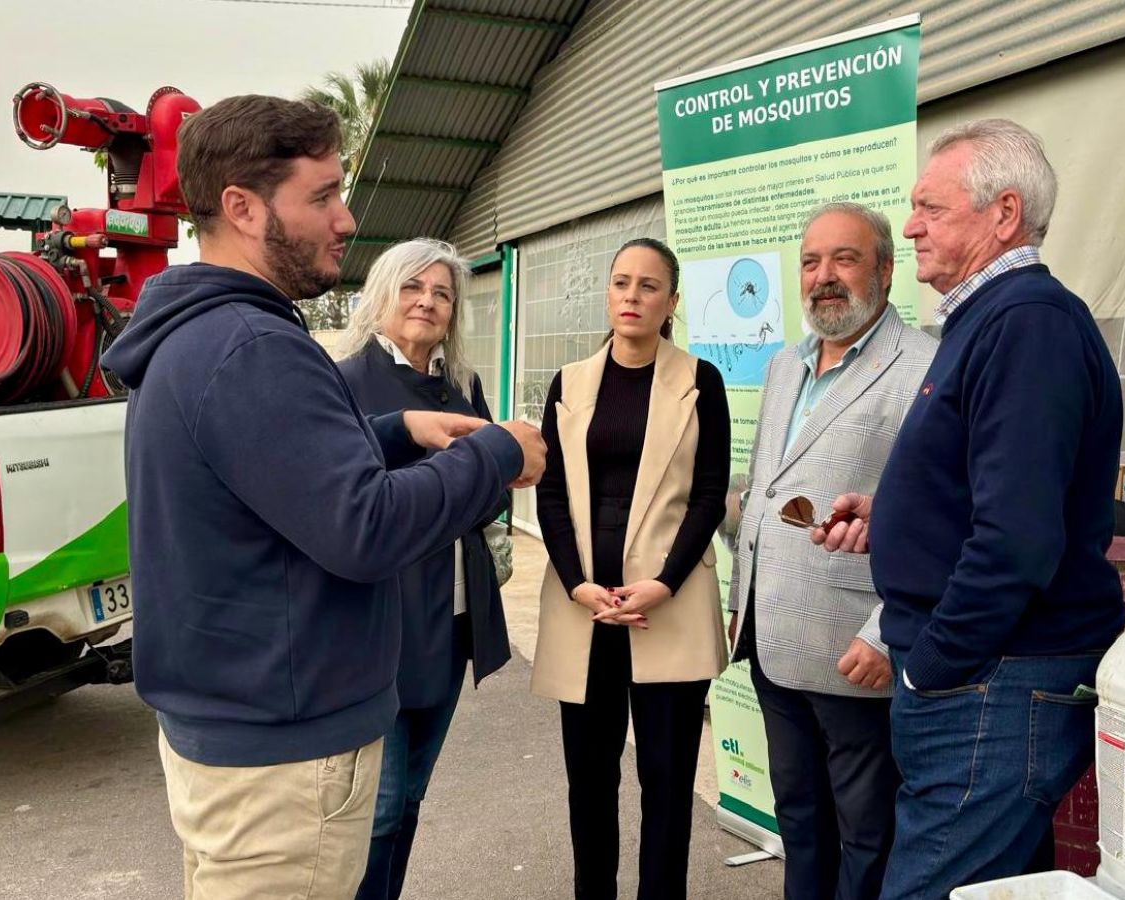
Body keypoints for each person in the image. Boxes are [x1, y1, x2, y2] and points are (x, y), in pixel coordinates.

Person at [101, 95, 545, 900]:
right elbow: (364, 526)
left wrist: (395, 429)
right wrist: (495, 451)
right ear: (241, 205)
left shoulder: (203, 337)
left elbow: (272, 475)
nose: (346, 220)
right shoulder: (255, 347)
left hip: (237, 739)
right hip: (283, 765)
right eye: (323, 195)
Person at [814, 119, 1125, 897]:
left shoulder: (1028, 324)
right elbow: (989, 488)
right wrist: (890, 515)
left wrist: (934, 666)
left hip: (990, 683)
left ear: (1004, 213)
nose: (911, 225)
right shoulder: (990, 320)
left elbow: (1017, 538)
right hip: (987, 680)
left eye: (931, 207)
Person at [727, 202, 937, 900]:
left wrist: (886, 633)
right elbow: (767, 485)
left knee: (867, 831)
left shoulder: (923, 369)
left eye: (843, 260)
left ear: (884, 267)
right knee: (799, 819)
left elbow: (938, 515)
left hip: (856, 651)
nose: (824, 278)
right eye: (811, 262)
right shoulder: (787, 363)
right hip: (772, 639)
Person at [531, 237, 731, 900]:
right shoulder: (571, 383)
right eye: (621, 283)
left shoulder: (700, 382)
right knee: (589, 783)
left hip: (664, 613)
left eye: (648, 286)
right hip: (585, 612)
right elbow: (551, 491)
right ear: (607, 292)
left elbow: (709, 493)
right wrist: (577, 582)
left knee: (667, 786)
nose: (631, 296)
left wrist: (666, 582)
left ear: (671, 302)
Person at [336, 238, 511, 900]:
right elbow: (348, 497)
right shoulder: (347, 381)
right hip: (383, 624)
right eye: (414, 287)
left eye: (442, 293)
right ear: (383, 294)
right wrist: (454, 485)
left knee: (408, 802)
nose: (427, 302)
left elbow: (497, 486)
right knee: (376, 813)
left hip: (454, 616)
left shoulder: (461, 384)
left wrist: (472, 481)